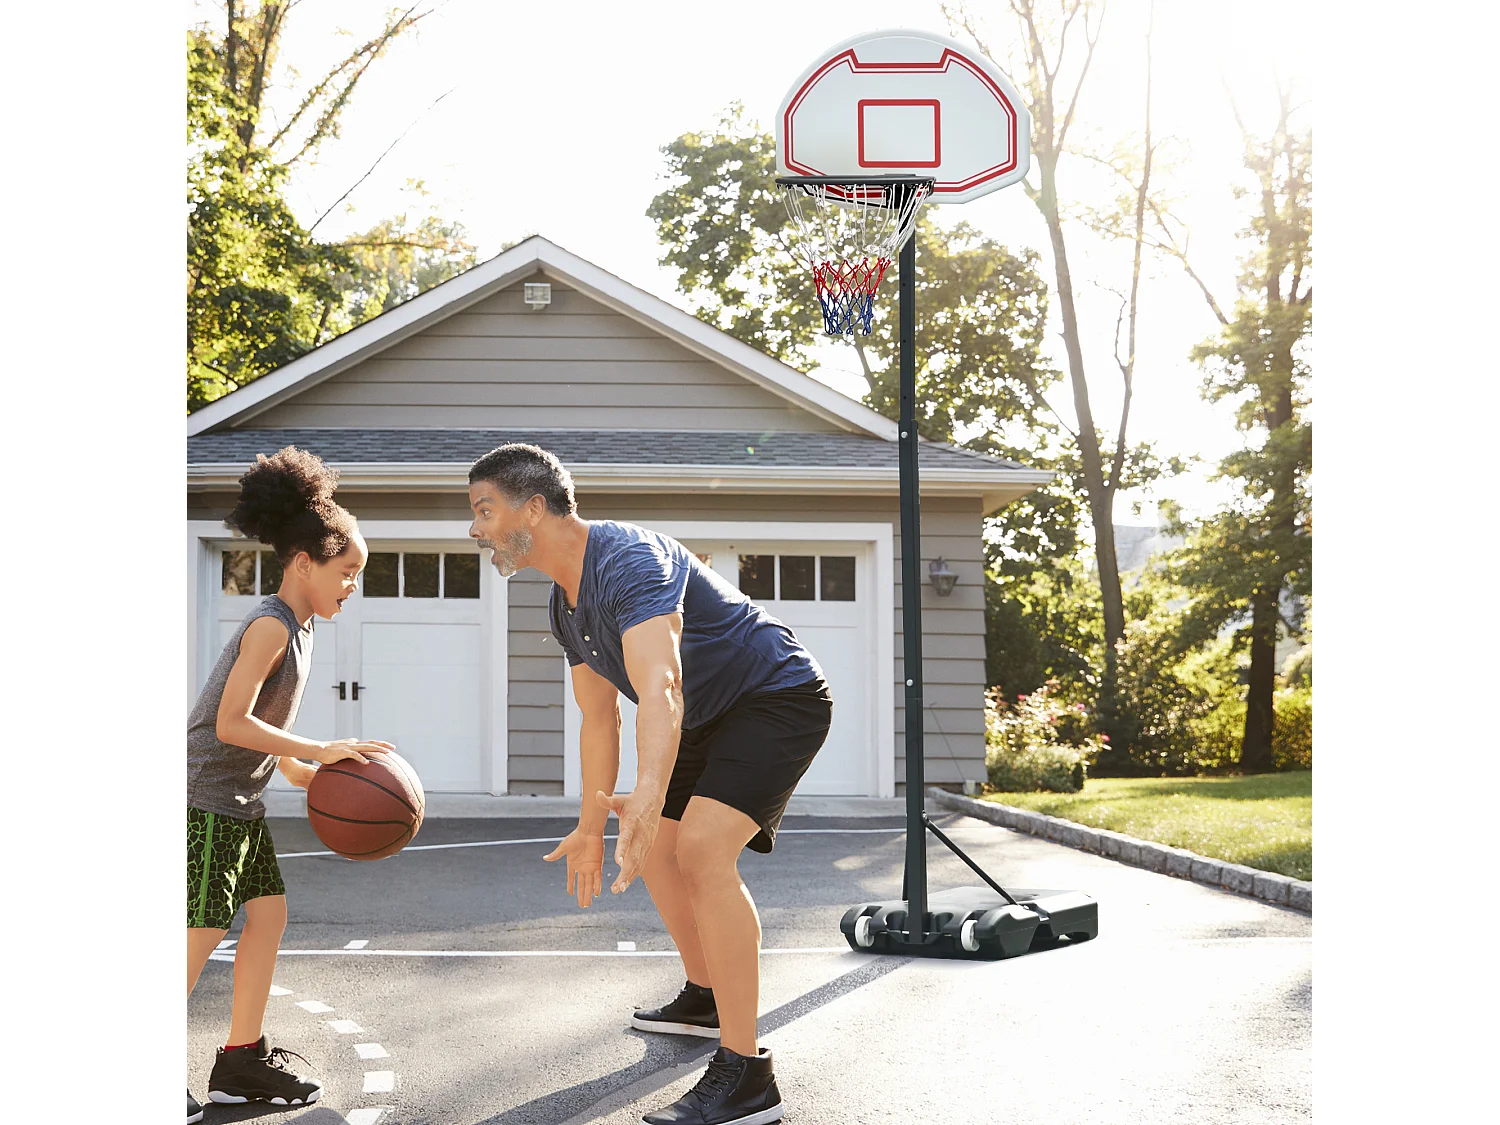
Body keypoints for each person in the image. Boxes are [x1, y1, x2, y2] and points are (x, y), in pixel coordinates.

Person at [468, 443, 832, 1125]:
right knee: (659, 852)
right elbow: (599, 718)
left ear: (534, 508)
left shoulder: (630, 560)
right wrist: (589, 824)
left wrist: (647, 794)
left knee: (698, 850)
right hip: (706, 712)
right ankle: (705, 991)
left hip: (775, 694)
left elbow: (660, 686)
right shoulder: (564, 604)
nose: (475, 527)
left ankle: (748, 1073)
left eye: (484, 510)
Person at [186, 448, 394, 1124]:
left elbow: (268, 739)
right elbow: (229, 721)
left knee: (267, 916)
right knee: (201, 928)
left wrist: (319, 768)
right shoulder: (272, 623)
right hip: (204, 798)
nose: (352, 585)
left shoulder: (300, 631)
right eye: (347, 571)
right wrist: (313, 746)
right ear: (304, 560)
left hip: (241, 801)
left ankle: (240, 1059)